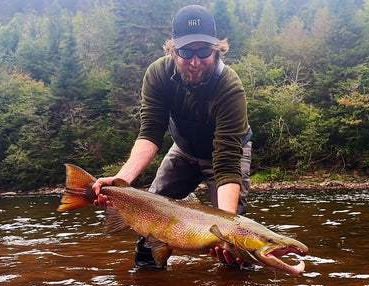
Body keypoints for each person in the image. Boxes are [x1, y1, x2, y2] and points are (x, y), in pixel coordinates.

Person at [92, 4, 252, 270]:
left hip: (226, 157)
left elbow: (226, 164)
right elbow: (150, 135)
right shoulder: (158, 75)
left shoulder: (230, 87)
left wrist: (226, 228)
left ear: (216, 49)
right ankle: (149, 280)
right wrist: (121, 181)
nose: (195, 61)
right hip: (184, 151)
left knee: (235, 244)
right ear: (172, 50)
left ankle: (236, 281)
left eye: (203, 51)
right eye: (186, 52)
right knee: (149, 218)